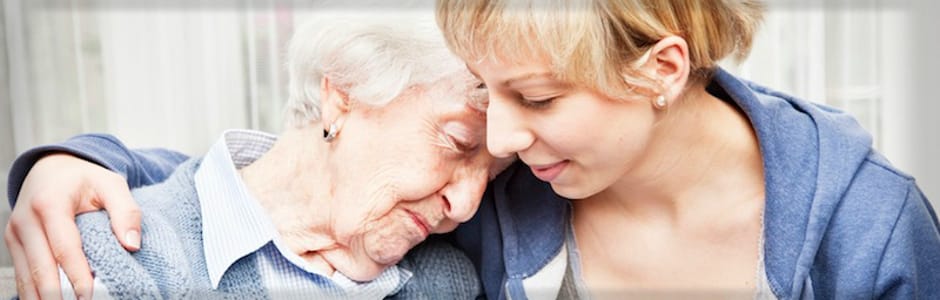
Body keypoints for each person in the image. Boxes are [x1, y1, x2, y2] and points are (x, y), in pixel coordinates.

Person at [7, 0, 940, 299]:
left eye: (532, 98)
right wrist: (72, 160)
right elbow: (253, 194)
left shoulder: (864, 227)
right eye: (479, 112)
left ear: (662, 70)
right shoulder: (522, 182)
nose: (496, 145)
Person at [4, 12, 500, 300]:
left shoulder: (446, 281)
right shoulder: (123, 254)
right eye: (458, 143)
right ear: (343, 95)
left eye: (492, 176)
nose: (467, 205)